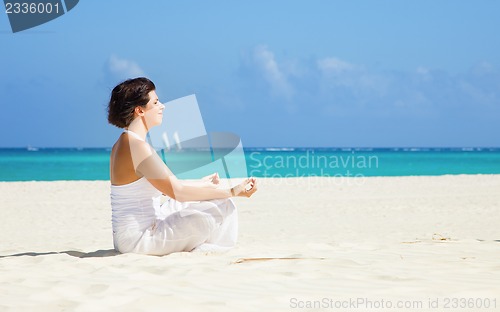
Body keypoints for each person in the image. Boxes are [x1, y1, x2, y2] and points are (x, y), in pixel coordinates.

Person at [107, 77, 257, 255]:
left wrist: (202, 184)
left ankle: (205, 245)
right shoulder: (137, 146)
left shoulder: (125, 142)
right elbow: (177, 192)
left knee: (207, 198)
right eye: (155, 102)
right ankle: (209, 250)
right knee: (225, 203)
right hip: (140, 240)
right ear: (140, 110)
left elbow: (165, 186)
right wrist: (232, 191)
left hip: (131, 236)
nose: (162, 106)